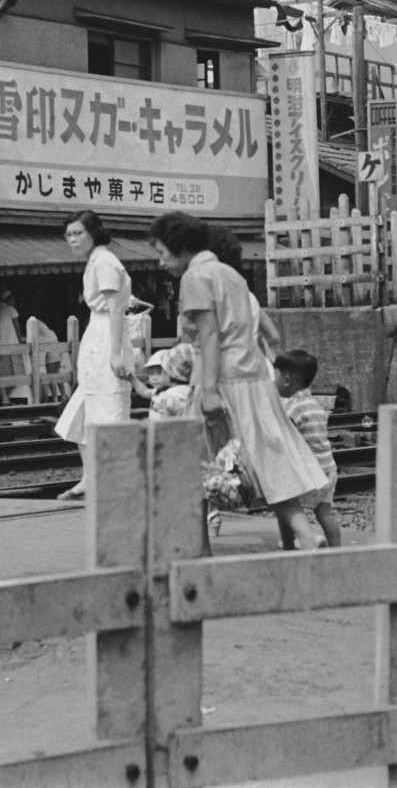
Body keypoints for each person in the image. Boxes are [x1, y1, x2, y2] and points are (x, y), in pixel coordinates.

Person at [148, 212, 328, 549]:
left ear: (181, 247)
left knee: (199, 462)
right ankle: (306, 535)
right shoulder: (232, 274)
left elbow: (209, 335)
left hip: (220, 378)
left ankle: (198, 548)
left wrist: (209, 390)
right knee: (272, 462)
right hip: (256, 378)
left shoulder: (195, 277)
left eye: (163, 253)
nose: (160, 262)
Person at [53, 210, 133, 500]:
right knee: (81, 414)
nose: (72, 240)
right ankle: (90, 478)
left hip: (107, 337)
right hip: (96, 335)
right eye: (69, 235)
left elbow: (114, 307)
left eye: (78, 233)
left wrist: (114, 354)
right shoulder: (96, 262)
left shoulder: (105, 262)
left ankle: (117, 484)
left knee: (110, 412)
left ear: (94, 233)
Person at [273, 349, 342, 550]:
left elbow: (287, 439)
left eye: (274, 377)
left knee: (287, 508)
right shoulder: (315, 404)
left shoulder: (293, 408)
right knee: (324, 514)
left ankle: (295, 544)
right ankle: (337, 550)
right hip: (329, 470)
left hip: (309, 473)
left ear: (286, 381)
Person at [0, 286, 29, 405]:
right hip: (11, 344)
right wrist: (20, 341)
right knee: (17, 373)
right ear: (8, 299)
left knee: (1, 373)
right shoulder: (11, 310)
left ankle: (4, 397)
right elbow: (17, 326)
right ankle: (5, 398)